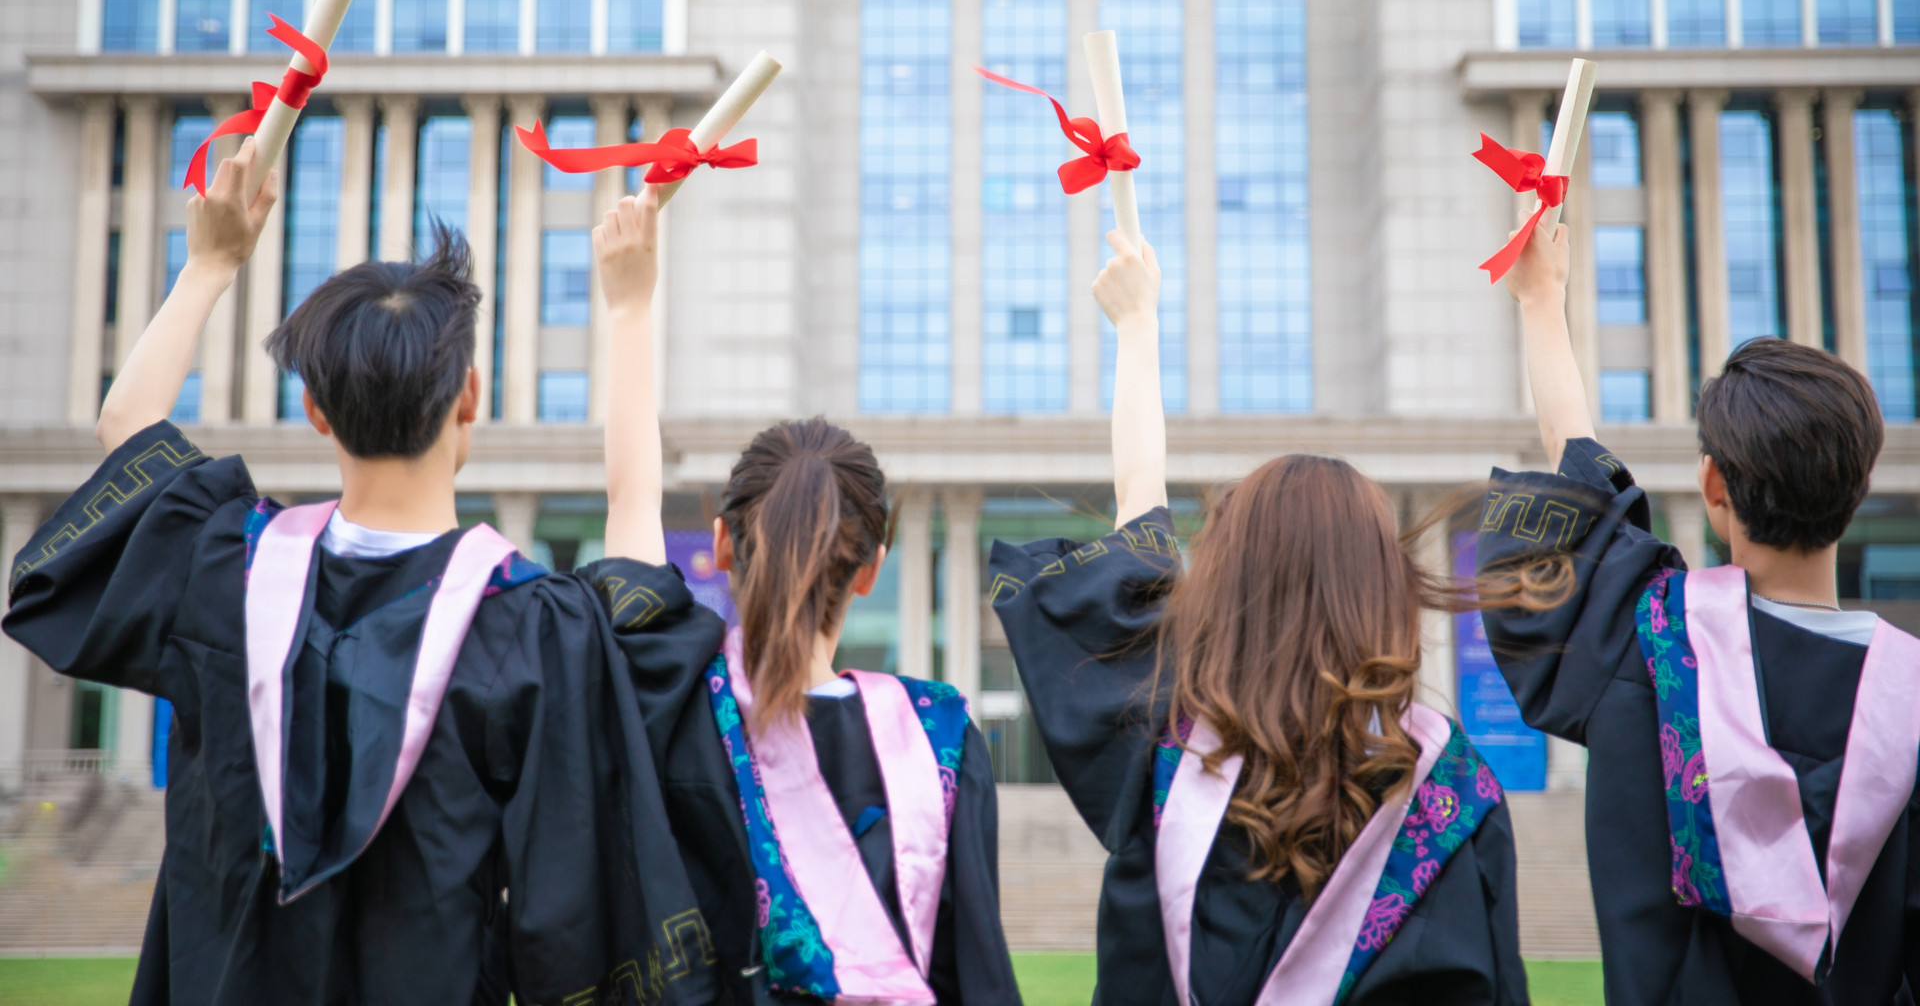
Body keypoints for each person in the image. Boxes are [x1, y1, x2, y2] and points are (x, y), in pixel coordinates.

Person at [3, 141, 716, 1006]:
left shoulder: (225, 573)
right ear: (470, 397)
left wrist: (209, 265)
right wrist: (630, 308)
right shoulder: (528, 630)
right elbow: (638, 534)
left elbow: (128, 427)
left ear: (313, 409)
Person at [990, 230, 1531, 1006]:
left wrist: (1138, 329)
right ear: (1382, 590)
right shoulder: (1451, 795)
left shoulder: (1163, 755)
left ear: (1227, 589)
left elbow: (1136, 523)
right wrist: (1545, 307)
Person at [586, 189, 1022, 1005]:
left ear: (719, 545)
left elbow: (631, 507)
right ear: (872, 568)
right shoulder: (941, 739)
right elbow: (975, 973)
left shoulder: (673, 697)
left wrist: (629, 306)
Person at [1478, 219, 1920, 1003]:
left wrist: (1543, 299)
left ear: (1713, 487)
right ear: (1858, 490)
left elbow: (1577, 475)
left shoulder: (1650, 647)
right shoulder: (1910, 700)